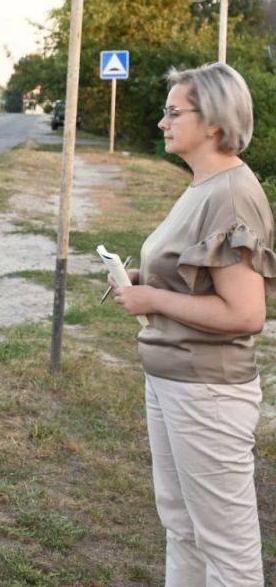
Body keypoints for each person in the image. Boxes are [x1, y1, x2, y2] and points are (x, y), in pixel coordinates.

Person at [113, 62, 271, 586]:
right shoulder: (204, 186)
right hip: (175, 381)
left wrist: (151, 296)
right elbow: (196, 277)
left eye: (173, 112)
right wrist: (142, 281)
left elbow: (245, 313)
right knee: (182, 527)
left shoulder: (230, 193)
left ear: (214, 124)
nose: (162, 123)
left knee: (227, 549)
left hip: (208, 391)